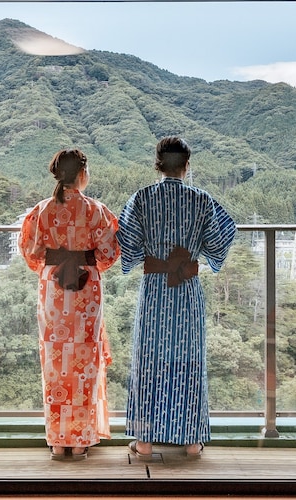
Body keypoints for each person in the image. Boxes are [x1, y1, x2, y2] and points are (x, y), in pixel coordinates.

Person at [117, 136, 237, 459]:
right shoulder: (202, 200)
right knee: (188, 361)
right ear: (187, 165)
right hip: (186, 291)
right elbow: (220, 241)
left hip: (155, 290)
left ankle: (143, 442)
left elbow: (125, 247)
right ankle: (192, 442)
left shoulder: (142, 199)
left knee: (150, 360)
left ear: (158, 164)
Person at [18, 148, 120, 461]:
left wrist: (55, 270)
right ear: (82, 174)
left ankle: (57, 440)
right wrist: (84, 267)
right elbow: (109, 252)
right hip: (86, 291)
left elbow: (30, 251)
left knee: (55, 360)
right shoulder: (96, 210)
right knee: (85, 359)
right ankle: (81, 440)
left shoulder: (42, 209)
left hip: (52, 290)